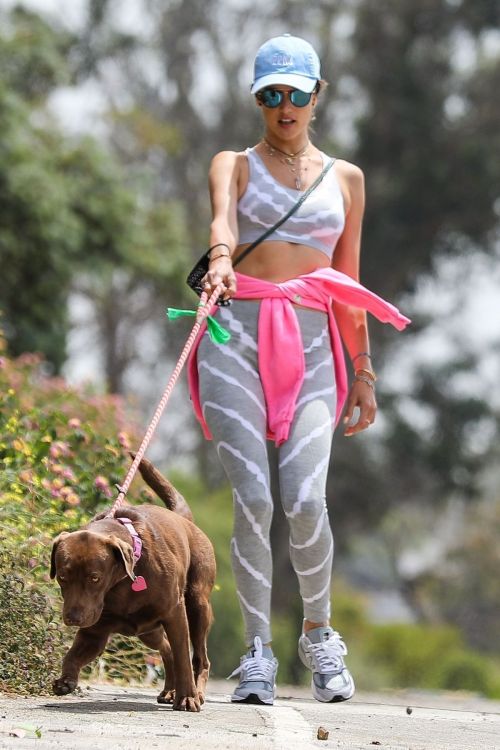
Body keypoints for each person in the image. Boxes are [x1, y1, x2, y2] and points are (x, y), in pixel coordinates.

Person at [187, 33, 410, 705]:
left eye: (297, 94)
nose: (285, 106)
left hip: (314, 346)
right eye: (272, 95)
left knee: (305, 500)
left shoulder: (346, 179)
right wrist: (222, 259)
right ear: (259, 99)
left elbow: (348, 280)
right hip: (234, 336)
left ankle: (319, 633)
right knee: (254, 498)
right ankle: (256, 650)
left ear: (318, 95)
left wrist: (364, 373)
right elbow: (222, 222)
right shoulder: (234, 162)